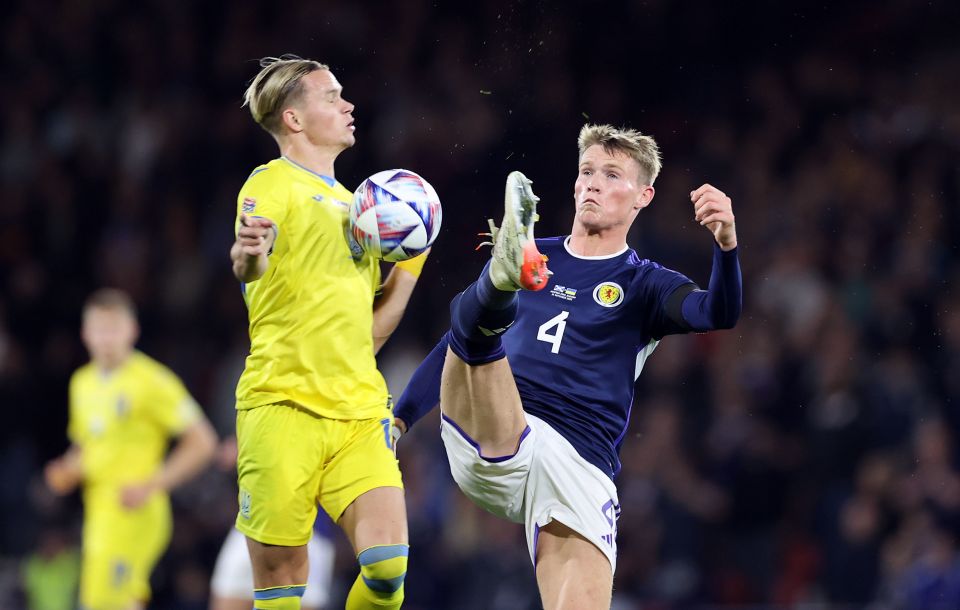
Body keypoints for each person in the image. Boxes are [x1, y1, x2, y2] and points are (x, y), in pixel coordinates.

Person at [393, 124, 742, 609]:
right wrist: (400, 417)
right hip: (498, 429)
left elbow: (718, 313)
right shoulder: (539, 254)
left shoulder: (647, 284)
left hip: (579, 464)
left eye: (612, 175)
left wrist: (726, 245)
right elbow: (450, 345)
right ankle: (496, 287)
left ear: (644, 195)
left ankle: (495, 292)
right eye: (586, 172)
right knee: (474, 328)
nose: (593, 183)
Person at [229, 55, 427, 610]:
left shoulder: (361, 210)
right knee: (282, 583)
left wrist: (412, 262)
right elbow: (251, 262)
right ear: (294, 119)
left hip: (359, 411)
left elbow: (370, 334)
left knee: (388, 568)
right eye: (331, 96)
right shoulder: (271, 184)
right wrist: (248, 254)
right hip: (282, 405)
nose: (348, 105)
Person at [43, 288, 218, 610]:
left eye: (114, 328)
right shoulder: (81, 383)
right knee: (104, 603)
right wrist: (67, 468)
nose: (106, 338)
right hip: (98, 512)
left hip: (134, 511)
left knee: (116, 601)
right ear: (85, 334)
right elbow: (86, 447)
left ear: (132, 330)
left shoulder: (152, 381)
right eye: (99, 329)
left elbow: (203, 441)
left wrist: (153, 484)